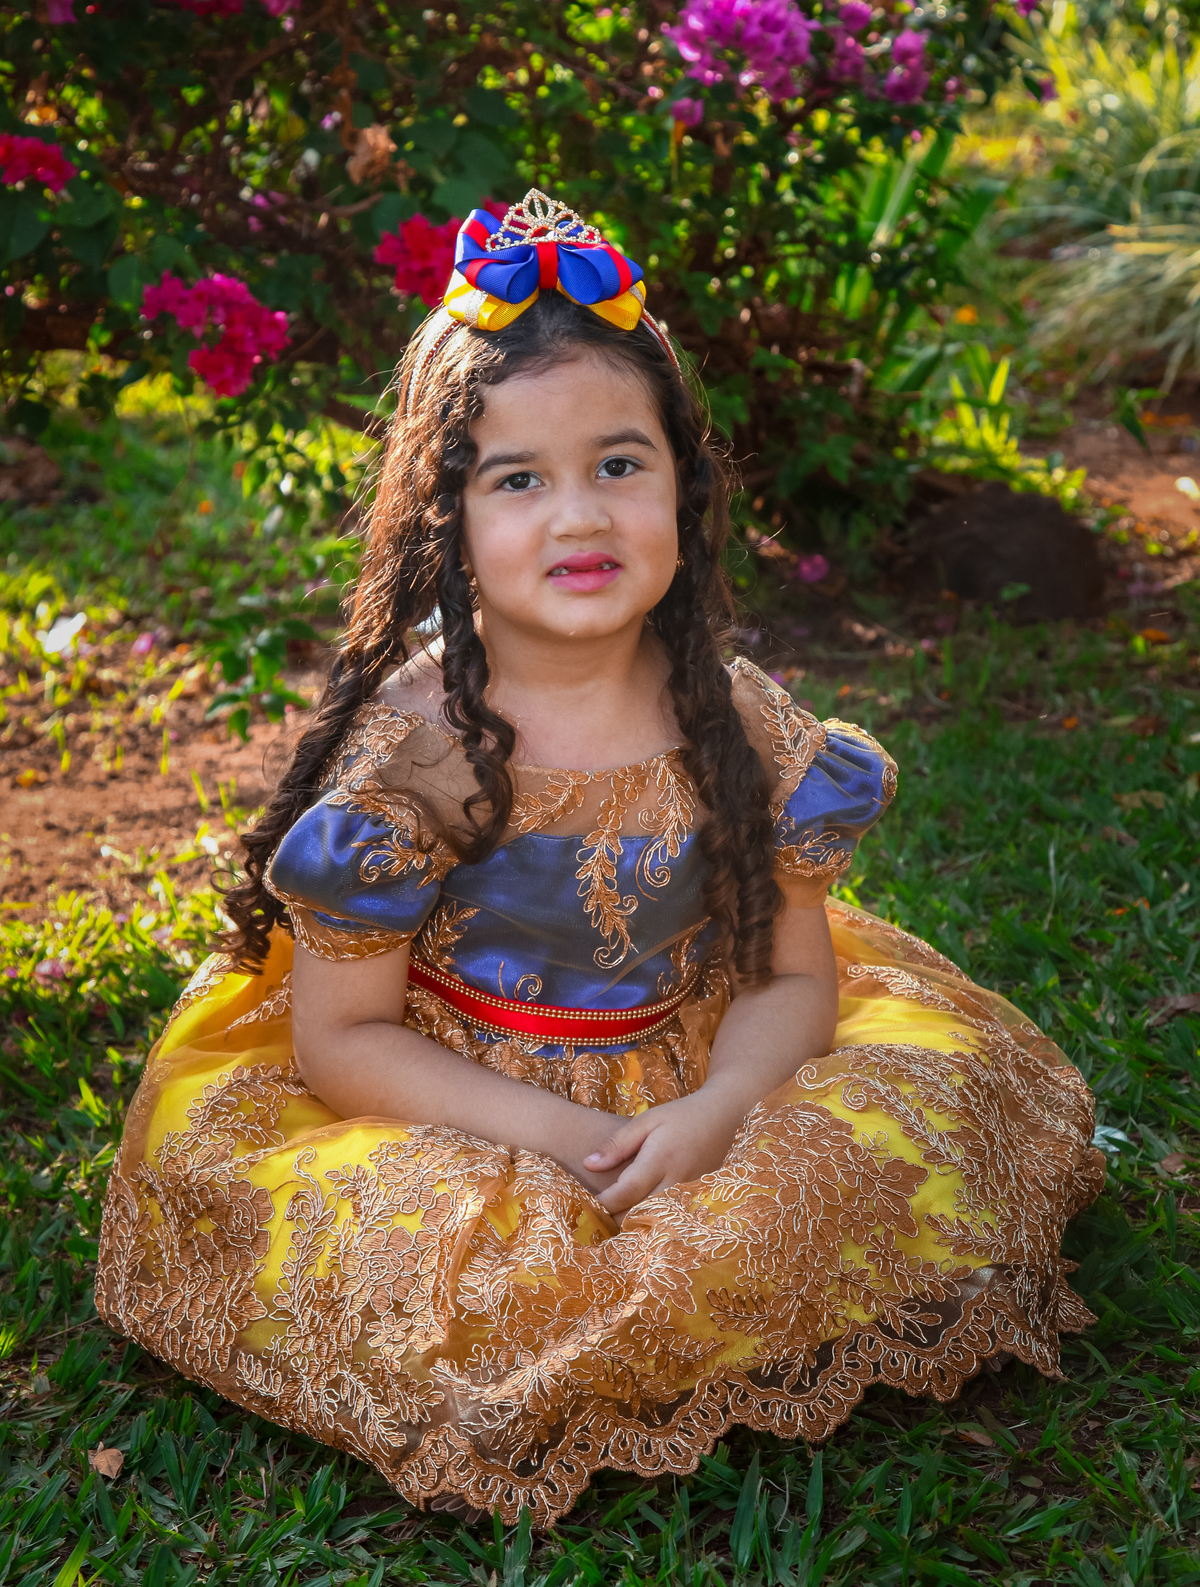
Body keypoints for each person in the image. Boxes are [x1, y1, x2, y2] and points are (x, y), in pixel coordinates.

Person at [96, 190, 1104, 1527]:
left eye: (620, 464)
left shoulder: (733, 720)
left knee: (900, 1140)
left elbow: (791, 980)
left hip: (700, 1050)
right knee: (454, 1281)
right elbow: (344, 1038)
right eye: (518, 479)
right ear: (445, 518)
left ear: (686, 484)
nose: (580, 516)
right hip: (462, 1098)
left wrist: (719, 1109)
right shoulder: (424, 750)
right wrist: (571, 1139)